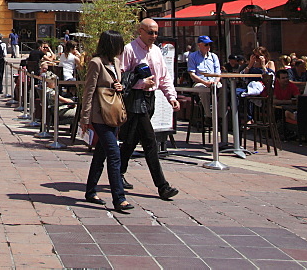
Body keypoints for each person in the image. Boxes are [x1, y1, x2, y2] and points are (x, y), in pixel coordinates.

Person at [119, 18, 180, 201]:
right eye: (150, 32)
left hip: (150, 98)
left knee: (131, 140)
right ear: (141, 31)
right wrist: (140, 83)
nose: (153, 36)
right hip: (135, 99)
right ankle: (162, 186)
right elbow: (122, 78)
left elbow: (164, 76)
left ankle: (118, 172)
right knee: (149, 141)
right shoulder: (129, 49)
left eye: (155, 33)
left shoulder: (156, 52)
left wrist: (172, 97)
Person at [81, 30, 132, 212]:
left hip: (113, 114)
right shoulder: (96, 63)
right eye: (119, 44)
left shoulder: (116, 62)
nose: (121, 48)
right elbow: (89, 91)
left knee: (100, 154)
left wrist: (120, 86)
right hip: (99, 115)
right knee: (114, 154)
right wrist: (85, 119)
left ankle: (90, 190)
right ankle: (119, 198)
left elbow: (117, 86)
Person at [187, 35, 222, 122]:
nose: (208, 47)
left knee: (224, 90)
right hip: (200, 82)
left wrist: (215, 82)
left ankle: (220, 116)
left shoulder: (214, 56)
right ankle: (208, 116)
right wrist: (205, 82)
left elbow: (218, 73)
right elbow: (192, 74)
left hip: (214, 81)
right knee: (203, 90)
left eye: (209, 44)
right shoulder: (193, 56)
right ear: (199, 45)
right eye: (206, 45)